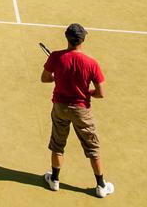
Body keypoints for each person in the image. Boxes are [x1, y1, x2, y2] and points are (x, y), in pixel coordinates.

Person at [40, 23, 114, 198]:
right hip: (82, 110)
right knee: (92, 147)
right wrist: (86, 91)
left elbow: (44, 78)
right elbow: (101, 93)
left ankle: (55, 180)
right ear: (83, 40)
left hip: (60, 108)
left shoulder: (56, 57)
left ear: (67, 38)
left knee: (58, 145)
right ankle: (101, 185)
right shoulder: (91, 63)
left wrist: (56, 76)